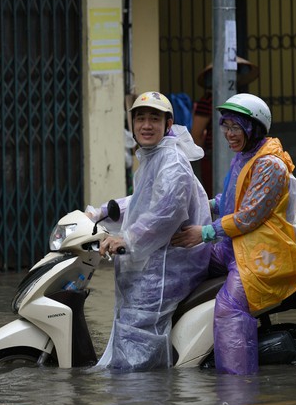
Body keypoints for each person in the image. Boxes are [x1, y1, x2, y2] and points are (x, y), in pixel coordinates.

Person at [172, 93, 296, 375]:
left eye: (235, 127)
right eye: (225, 126)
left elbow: (249, 215)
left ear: (254, 128)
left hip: (262, 254)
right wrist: (199, 205)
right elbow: (230, 200)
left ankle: (237, 391)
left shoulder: (270, 165)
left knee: (230, 308)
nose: (228, 133)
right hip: (235, 246)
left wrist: (203, 232)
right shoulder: (245, 156)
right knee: (184, 262)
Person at [85, 91, 211, 372]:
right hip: (156, 257)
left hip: (172, 263)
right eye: (140, 118)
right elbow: (141, 201)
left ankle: (143, 399)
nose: (145, 125)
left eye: (154, 119)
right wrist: (101, 212)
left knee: (136, 332)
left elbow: (164, 213)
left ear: (168, 125)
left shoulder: (173, 163)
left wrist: (126, 239)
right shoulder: (154, 158)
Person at [191, 57, 260, 194]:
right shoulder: (208, 100)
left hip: (242, 156)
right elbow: (196, 135)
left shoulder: (240, 100)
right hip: (213, 160)